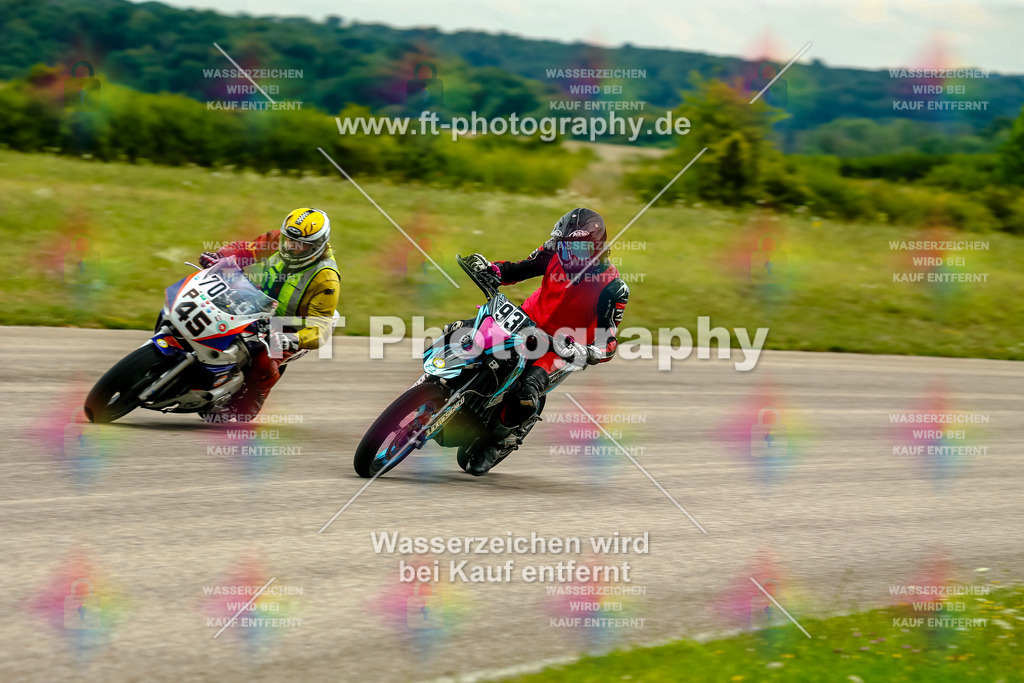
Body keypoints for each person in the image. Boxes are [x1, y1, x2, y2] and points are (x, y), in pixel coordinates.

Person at [447, 207, 630, 475]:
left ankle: (500, 440)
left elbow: (609, 341)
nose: (569, 255)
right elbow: (517, 269)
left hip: (562, 347)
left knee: (526, 391)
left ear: (597, 248)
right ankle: (435, 383)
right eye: (565, 247)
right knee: (462, 332)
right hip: (525, 320)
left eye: (578, 249)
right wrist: (491, 269)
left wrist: (589, 352)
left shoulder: (613, 287)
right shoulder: (552, 251)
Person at [198, 207, 340, 420]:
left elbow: (319, 330)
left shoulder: (326, 279)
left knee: (264, 361)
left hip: (289, 325)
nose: (292, 247)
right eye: (290, 240)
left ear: (317, 245)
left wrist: (290, 339)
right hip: (260, 301)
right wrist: (219, 257)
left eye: (301, 244)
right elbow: (246, 250)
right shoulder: (278, 239)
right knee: (209, 307)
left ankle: (254, 398)